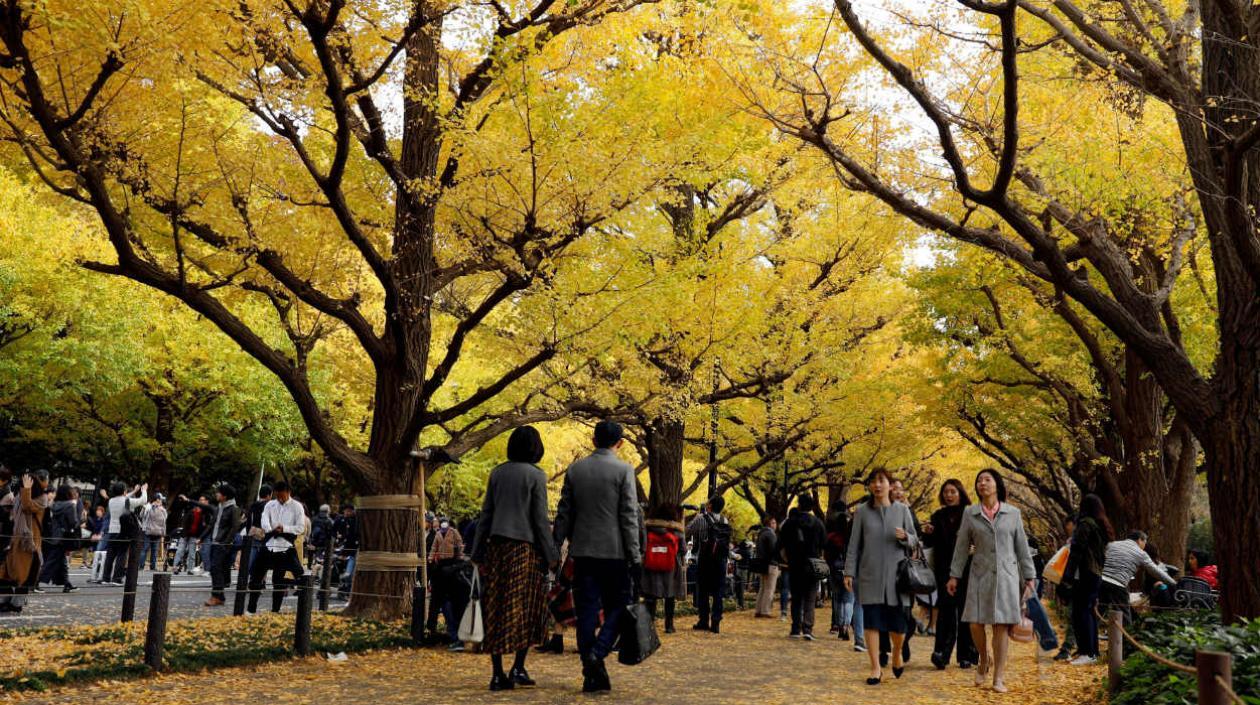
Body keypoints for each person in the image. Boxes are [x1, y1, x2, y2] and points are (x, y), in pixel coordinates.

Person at [552, 420, 641, 694]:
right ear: (621, 442)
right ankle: (597, 654)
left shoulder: (576, 470)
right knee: (620, 605)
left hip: (582, 551)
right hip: (615, 552)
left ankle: (590, 668)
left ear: (593, 440)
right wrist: (634, 554)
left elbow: (564, 511)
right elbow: (628, 515)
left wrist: (557, 546)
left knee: (587, 610)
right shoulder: (624, 470)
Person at [471, 426, 559, 691]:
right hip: (525, 550)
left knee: (497, 607)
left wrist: (476, 552)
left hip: (496, 549)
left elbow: (485, 515)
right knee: (528, 608)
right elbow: (540, 521)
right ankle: (518, 666)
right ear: (536, 448)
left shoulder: (497, 473)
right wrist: (552, 555)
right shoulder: (536, 476)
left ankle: (498, 673)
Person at [946, 468, 1036, 693]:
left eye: (987, 479)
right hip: (979, 574)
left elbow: (1021, 547)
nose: (982, 483)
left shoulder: (1013, 513)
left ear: (997, 484)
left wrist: (1029, 576)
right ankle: (984, 658)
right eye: (979, 481)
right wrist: (954, 575)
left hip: (1006, 576)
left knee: (1001, 626)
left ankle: (998, 678)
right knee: (975, 623)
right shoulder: (970, 513)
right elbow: (961, 546)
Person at [844, 468, 919, 685]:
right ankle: (875, 668)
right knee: (872, 622)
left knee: (898, 627)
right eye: (873, 482)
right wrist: (849, 571)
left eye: (881, 481)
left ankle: (896, 652)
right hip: (870, 575)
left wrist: (906, 536)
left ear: (889, 484)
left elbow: (916, 542)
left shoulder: (903, 511)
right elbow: (854, 545)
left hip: (897, 578)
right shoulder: (861, 512)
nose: (877, 485)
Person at [924, 478, 978, 670]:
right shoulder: (937, 516)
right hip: (944, 570)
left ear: (960, 493)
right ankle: (941, 654)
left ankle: (966, 654)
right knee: (946, 612)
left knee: (965, 612)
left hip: (967, 569)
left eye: (953, 492)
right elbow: (929, 543)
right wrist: (928, 532)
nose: (949, 495)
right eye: (946, 492)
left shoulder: (970, 514)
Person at [1062, 494, 1112, 666]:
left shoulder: (1085, 525)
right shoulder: (1101, 526)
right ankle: (1090, 651)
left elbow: (1077, 552)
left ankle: (1088, 652)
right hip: (1096, 573)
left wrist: (1066, 578)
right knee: (1088, 612)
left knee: (1081, 612)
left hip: (1085, 573)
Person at [246, 480, 306, 614]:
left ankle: (275, 610)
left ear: (288, 493)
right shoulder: (270, 505)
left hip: (285, 546)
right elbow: (264, 520)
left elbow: (301, 527)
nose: (280, 499)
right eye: (277, 496)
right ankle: (251, 609)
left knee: (279, 581)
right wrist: (272, 529)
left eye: (282, 496)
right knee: (256, 576)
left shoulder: (297, 507)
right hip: (269, 544)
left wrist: (284, 528)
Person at [0, 471, 52, 613]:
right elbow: (14, 510)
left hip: (29, 542)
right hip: (16, 539)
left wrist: (26, 490)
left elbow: (27, 507)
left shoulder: (42, 498)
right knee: (8, 572)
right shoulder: (20, 495)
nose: (23, 485)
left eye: (27, 483)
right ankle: (5, 600)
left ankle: (17, 603)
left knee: (24, 574)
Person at [1098, 530, 1176, 623]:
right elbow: (1156, 571)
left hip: (1101, 581)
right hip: (1118, 584)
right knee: (1124, 615)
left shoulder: (1112, 544)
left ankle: (1089, 635)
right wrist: (1173, 583)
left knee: (1098, 610)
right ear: (1140, 540)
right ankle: (1127, 635)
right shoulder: (1141, 553)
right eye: (1144, 543)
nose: (1144, 546)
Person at [778, 495, 827, 640]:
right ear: (812, 507)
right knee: (810, 598)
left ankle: (795, 628)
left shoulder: (790, 523)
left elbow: (780, 543)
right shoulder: (818, 523)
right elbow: (824, 543)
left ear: (799, 505)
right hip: (812, 564)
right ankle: (808, 627)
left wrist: (786, 557)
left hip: (795, 564)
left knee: (797, 597)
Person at [686, 494, 731, 634]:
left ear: (710, 505)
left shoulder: (701, 519)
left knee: (703, 590)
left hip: (705, 559)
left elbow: (687, 530)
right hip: (720, 560)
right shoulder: (725, 521)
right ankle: (716, 621)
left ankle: (703, 620)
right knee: (718, 591)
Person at [642, 503, 686, 634]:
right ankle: (669, 625)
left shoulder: (647, 529)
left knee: (650, 597)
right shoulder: (677, 531)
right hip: (670, 569)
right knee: (670, 597)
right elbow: (683, 550)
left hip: (651, 567)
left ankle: (649, 625)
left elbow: (642, 546)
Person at [426, 515, 465, 646]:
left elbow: (460, 545)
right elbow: (433, 548)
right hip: (441, 566)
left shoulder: (453, 533)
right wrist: (430, 559)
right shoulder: (438, 535)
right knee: (438, 601)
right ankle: (432, 629)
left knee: (450, 601)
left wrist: (460, 558)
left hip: (452, 566)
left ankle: (455, 634)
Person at [102, 482, 147, 586]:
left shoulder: (111, 501)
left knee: (110, 555)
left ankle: (105, 578)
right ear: (123, 491)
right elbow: (143, 500)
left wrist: (134, 491)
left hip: (112, 530)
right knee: (122, 555)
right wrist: (143, 490)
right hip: (123, 531)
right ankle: (117, 578)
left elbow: (124, 497)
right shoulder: (127, 501)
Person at [39, 485, 80, 592]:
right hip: (65, 537)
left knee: (61, 562)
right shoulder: (70, 505)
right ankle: (35, 582)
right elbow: (73, 523)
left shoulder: (54, 505)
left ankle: (67, 584)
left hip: (55, 535)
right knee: (51, 562)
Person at [173, 495, 207, 574]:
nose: (201, 502)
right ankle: (175, 567)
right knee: (180, 551)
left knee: (192, 553)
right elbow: (185, 522)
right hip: (185, 534)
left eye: (203, 500)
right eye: (200, 500)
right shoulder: (191, 511)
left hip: (194, 536)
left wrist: (200, 537)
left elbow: (202, 526)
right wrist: (185, 532)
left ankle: (190, 569)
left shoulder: (204, 514)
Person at [753, 517, 780, 618]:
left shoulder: (761, 534)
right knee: (769, 588)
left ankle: (758, 610)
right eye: (773, 523)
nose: (775, 525)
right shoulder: (771, 534)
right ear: (769, 524)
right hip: (770, 564)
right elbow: (774, 550)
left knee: (762, 588)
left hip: (761, 563)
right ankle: (765, 611)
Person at [139, 495, 168, 571]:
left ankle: (141, 566)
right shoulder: (162, 509)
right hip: (158, 532)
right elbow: (165, 520)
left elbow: (141, 516)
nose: (161, 501)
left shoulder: (148, 506)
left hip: (147, 531)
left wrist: (144, 508)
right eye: (160, 500)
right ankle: (153, 566)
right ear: (157, 500)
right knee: (154, 550)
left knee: (145, 549)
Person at [307, 504, 334, 569]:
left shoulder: (314, 519)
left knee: (311, 555)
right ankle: (319, 571)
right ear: (328, 511)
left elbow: (310, 530)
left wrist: (310, 540)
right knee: (321, 558)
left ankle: (310, 566)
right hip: (323, 543)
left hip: (313, 541)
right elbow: (330, 533)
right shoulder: (329, 521)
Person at [87, 504, 108, 575]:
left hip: (100, 537)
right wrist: (93, 535)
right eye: (97, 511)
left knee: (99, 550)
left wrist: (99, 535)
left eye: (99, 511)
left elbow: (103, 529)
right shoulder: (95, 519)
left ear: (102, 512)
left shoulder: (103, 520)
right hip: (95, 536)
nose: (97, 512)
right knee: (94, 550)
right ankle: (94, 562)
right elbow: (93, 528)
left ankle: (97, 563)